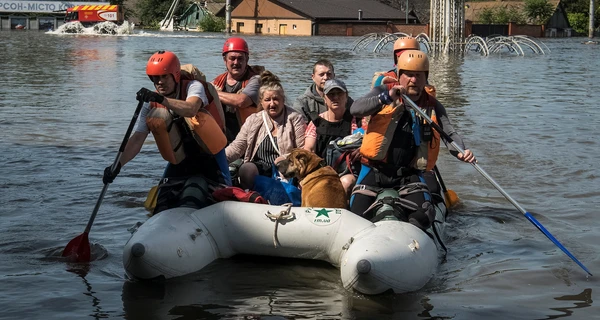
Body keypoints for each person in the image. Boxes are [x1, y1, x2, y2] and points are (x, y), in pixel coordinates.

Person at [350, 50, 475, 230]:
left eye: (419, 76)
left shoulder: (432, 105)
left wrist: (462, 152)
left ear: (426, 78)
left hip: (408, 174)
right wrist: (387, 97)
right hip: (375, 170)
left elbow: (449, 134)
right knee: (354, 215)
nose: (413, 80)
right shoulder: (383, 92)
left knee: (424, 214)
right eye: (408, 75)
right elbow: (356, 109)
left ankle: (411, 241)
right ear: (400, 76)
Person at [102, 51, 231, 210]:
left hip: (212, 157)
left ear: (176, 75)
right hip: (181, 159)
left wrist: (161, 99)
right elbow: (137, 139)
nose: (160, 82)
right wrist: (117, 165)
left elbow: (191, 109)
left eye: (164, 77)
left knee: (226, 198)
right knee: (161, 205)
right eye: (155, 78)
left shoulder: (194, 87)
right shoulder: (151, 104)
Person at [225, 71, 306, 190]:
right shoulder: (253, 120)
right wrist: (218, 159)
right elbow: (238, 147)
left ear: (283, 100)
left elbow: (302, 150)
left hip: (286, 169)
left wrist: (285, 158)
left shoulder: (295, 119)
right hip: (260, 168)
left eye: (276, 99)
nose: (272, 104)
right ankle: (252, 197)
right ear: (261, 102)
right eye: (268, 100)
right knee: (246, 169)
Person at [303, 79, 365, 199]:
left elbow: (369, 143)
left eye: (339, 93)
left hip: (349, 172)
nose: (335, 97)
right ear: (325, 99)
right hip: (322, 171)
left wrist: (362, 150)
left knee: (345, 183)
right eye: (331, 94)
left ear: (346, 97)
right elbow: (308, 150)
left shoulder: (357, 120)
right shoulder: (316, 122)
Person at [212, 37, 263, 143]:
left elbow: (241, 101)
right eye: (232, 58)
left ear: (247, 60)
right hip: (223, 141)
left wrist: (211, 92)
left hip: (250, 142)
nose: (236, 62)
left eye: (240, 58)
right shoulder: (217, 82)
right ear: (225, 60)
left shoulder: (256, 80)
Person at [293, 59, 354, 124]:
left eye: (329, 74)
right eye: (321, 74)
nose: (325, 77)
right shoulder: (302, 102)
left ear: (334, 76)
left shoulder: (346, 101)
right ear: (313, 77)